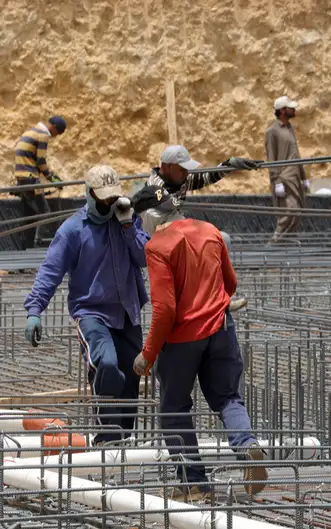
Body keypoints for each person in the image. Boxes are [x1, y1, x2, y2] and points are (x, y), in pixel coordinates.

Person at [130, 185, 267, 502]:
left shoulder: (158, 246)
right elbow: (230, 283)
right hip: (221, 328)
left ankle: (195, 483)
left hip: (182, 340)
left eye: (140, 221)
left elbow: (165, 310)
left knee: (174, 408)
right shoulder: (209, 231)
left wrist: (147, 354)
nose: (141, 228)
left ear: (150, 216)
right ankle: (246, 445)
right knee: (228, 397)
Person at [24, 165, 149, 445]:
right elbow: (50, 271)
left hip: (128, 312)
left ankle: (124, 441)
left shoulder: (126, 221)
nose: (108, 203)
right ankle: (106, 438)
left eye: (112, 198)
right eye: (102, 198)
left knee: (131, 378)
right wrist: (35, 310)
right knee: (106, 363)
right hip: (92, 313)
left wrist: (129, 226)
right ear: (89, 194)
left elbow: (145, 257)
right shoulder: (72, 230)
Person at [144, 145, 258, 311]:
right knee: (217, 241)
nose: (186, 174)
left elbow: (205, 177)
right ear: (168, 167)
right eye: (182, 169)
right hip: (165, 238)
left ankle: (218, 298)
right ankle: (215, 300)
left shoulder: (177, 177)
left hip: (177, 230)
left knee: (220, 241)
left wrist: (229, 165)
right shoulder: (156, 188)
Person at [13, 116, 67, 249]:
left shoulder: (31, 131)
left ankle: (23, 257)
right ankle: (37, 245)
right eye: (57, 133)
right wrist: (54, 179)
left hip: (22, 179)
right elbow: (41, 162)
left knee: (28, 219)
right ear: (53, 127)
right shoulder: (43, 135)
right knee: (45, 214)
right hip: (31, 179)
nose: (55, 136)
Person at [265, 96, 308, 243]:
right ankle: (273, 247)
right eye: (290, 107)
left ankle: (285, 246)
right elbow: (271, 157)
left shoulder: (289, 128)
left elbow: (295, 154)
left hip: (294, 178)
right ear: (282, 110)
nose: (294, 109)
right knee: (288, 213)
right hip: (283, 179)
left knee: (297, 213)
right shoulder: (272, 131)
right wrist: (276, 181)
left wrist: (304, 177)